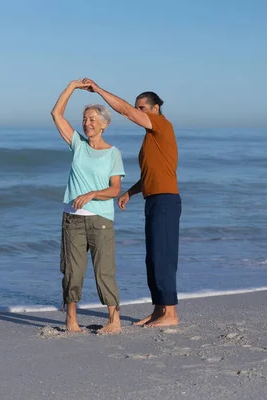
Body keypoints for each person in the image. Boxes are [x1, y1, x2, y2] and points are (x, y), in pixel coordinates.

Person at [82, 78, 181, 327]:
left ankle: (171, 314)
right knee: (153, 257)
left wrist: (98, 90)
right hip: (154, 198)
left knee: (164, 255)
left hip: (166, 200)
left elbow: (124, 110)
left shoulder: (161, 125)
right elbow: (152, 174)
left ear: (155, 108)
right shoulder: (151, 137)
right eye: (138, 108)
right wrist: (130, 192)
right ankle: (160, 310)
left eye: (142, 108)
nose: (138, 112)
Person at [50, 79, 125, 334]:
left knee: (104, 271)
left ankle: (114, 320)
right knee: (73, 272)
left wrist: (92, 193)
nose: (87, 123)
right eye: (85, 119)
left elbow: (115, 189)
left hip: (101, 220)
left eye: (93, 119)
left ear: (104, 124)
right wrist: (71, 87)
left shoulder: (113, 153)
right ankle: (71, 319)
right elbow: (56, 114)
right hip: (72, 219)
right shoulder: (78, 146)